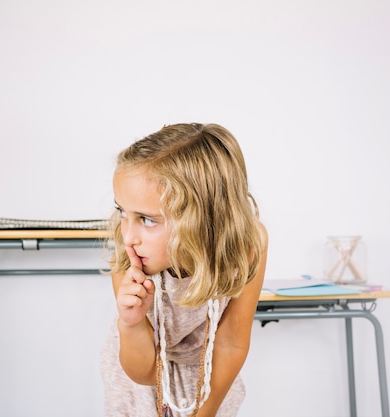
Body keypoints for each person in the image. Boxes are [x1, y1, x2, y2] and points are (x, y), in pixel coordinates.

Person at [100, 123, 268, 417]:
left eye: (148, 220)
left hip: (211, 379)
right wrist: (131, 323)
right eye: (122, 212)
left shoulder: (249, 244)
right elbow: (144, 373)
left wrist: (205, 413)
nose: (128, 236)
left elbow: (231, 343)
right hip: (140, 382)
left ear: (201, 217)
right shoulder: (130, 257)